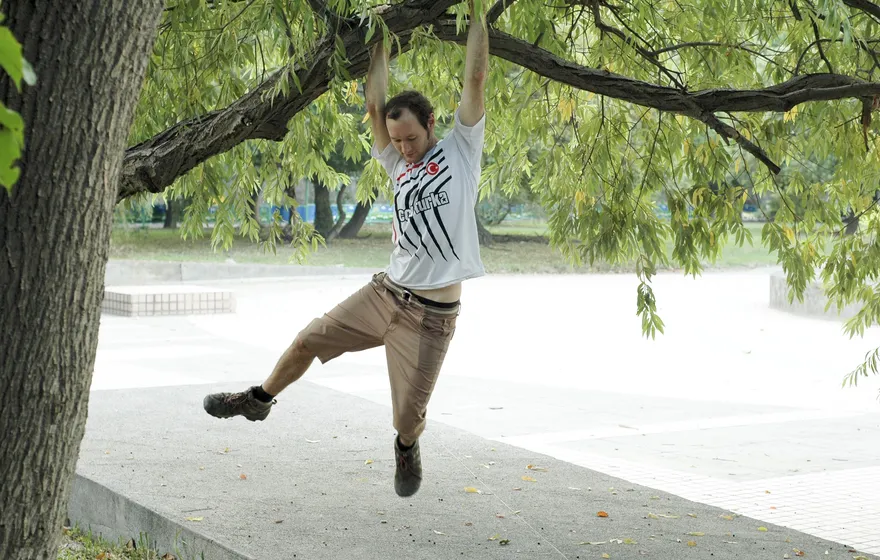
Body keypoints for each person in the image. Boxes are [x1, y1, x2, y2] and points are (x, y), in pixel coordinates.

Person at [202, 0, 489, 498]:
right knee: (307, 339)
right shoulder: (397, 166)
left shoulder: (461, 151)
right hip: (385, 293)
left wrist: (478, 13)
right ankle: (257, 399)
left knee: (407, 416)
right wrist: (380, 35)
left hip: (431, 317)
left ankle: (405, 445)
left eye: (412, 137)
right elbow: (374, 105)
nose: (403, 148)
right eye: (396, 140)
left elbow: (476, 81)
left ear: (431, 123)